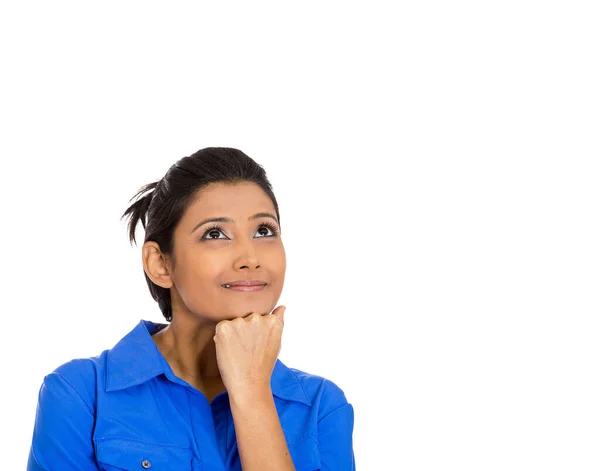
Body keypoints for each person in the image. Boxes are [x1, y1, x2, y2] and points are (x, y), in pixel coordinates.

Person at [26, 147, 356, 470]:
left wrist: (252, 391)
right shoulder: (81, 395)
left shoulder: (321, 408)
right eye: (215, 234)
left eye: (263, 230)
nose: (251, 258)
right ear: (160, 264)